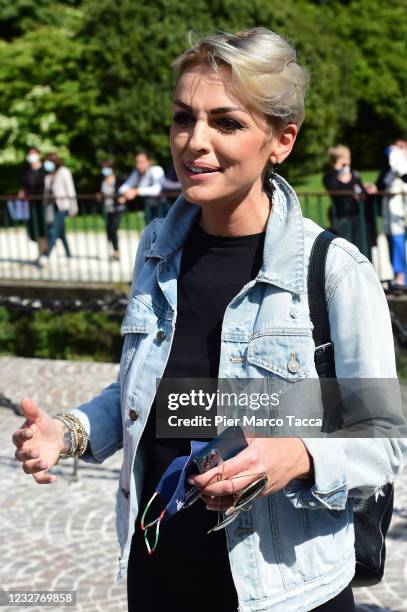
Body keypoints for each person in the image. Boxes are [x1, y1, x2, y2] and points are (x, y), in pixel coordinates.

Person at [11, 28, 406, 612]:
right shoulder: (156, 251)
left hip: (282, 591)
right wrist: (69, 432)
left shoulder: (333, 271)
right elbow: (153, 393)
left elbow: (384, 436)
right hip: (159, 572)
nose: (195, 142)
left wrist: (296, 457)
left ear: (281, 140)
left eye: (226, 122)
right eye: (182, 118)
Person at [322, 145, 377, 260]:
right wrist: (337, 170)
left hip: (357, 219)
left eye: (348, 158)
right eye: (344, 158)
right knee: (345, 253)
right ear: (336, 160)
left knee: (362, 250)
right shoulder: (329, 176)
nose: (347, 161)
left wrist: (366, 191)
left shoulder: (355, 175)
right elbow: (332, 188)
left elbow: (360, 192)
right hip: (341, 220)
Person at [380, 140, 407, 285]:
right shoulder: (393, 166)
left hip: (402, 207)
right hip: (395, 208)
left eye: (402, 148)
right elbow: (382, 183)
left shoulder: (401, 163)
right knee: (397, 241)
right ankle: (400, 275)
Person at [43, 152, 78, 259]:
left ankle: (46, 254)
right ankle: (68, 254)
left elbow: (70, 190)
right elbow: (46, 193)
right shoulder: (48, 176)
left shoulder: (64, 172)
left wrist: (74, 207)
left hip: (63, 206)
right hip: (51, 207)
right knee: (60, 232)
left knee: (54, 230)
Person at [118, 151, 166, 223]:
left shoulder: (156, 169)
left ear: (149, 162)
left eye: (141, 162)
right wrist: (127, 193)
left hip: (162, 208)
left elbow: (157, 189)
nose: (138, 165)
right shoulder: (136, 173)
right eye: (137, 162)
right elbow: (123, 188)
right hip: (148, 208)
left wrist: (135, 191)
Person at [19, 147, 47, 265]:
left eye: (33, 153)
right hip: (31, 204)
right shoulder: (26, 171)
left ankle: (45, 253)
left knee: (43, 228)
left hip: (43, 203)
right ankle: (41, 252)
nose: (31, 156)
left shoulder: (45, 170)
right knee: (34, 231)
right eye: (29, 153)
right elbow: (24, 186)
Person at [96, 160, 126, 261]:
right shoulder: (101, 179)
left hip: (117, 208)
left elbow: (125, 189)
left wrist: (123, 198)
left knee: (113, 228)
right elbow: (100, 191)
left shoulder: (119, 179)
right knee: (109, 230)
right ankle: (113, 250)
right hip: (107, 208)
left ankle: (116, 252)